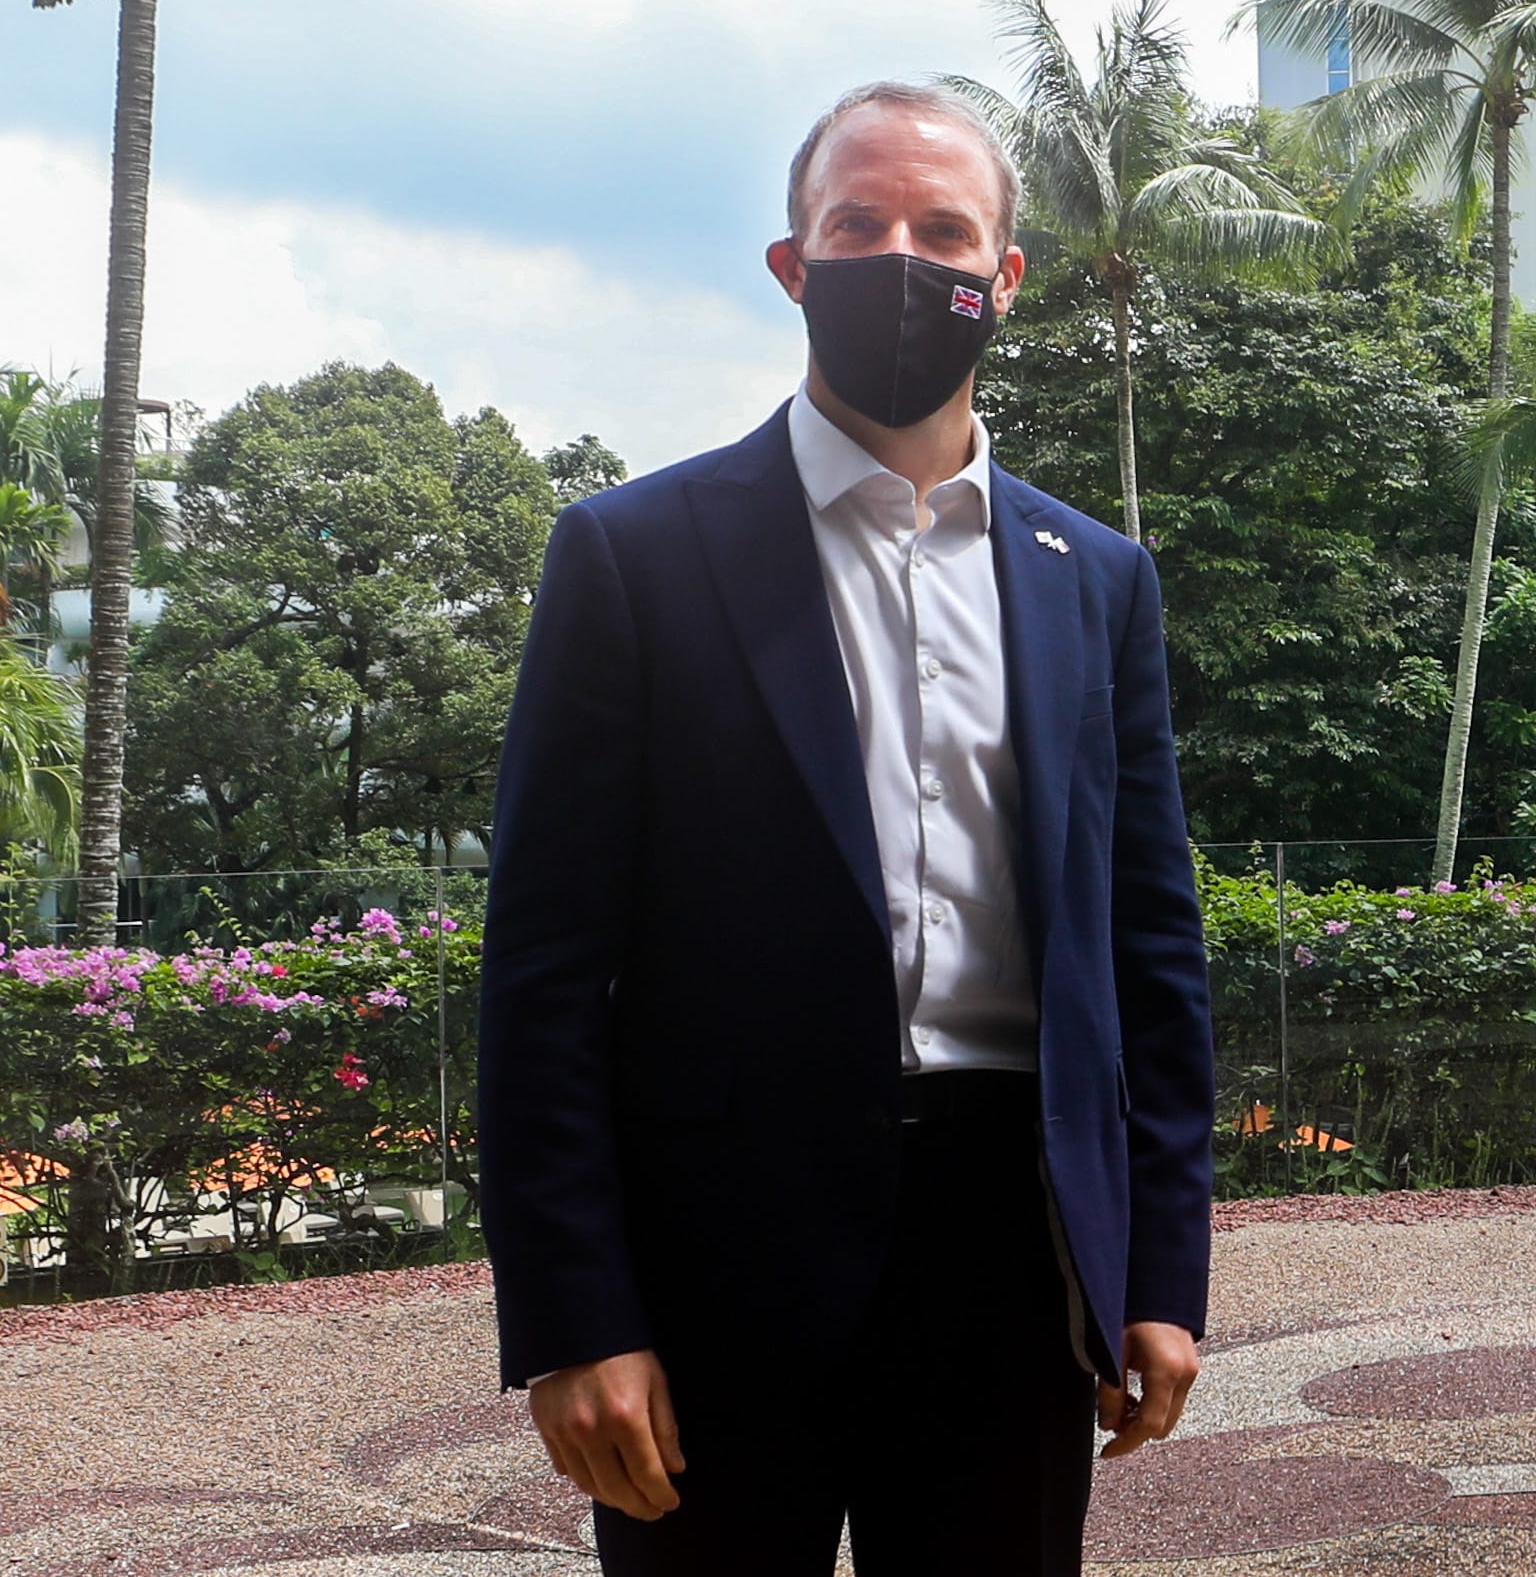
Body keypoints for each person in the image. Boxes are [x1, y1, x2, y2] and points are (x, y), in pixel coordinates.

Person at [477, 79, 1214, 1575]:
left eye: (942, 228)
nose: (899, 252)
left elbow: (1149, 947)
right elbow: (545, 972)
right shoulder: (634, 556)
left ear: (1003, 278)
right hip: (715, 1264)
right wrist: (573, 1318)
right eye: (856, 222)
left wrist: (1161, 1267)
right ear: (791, 265)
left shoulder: (1098, 576)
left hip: (1014, 1254)